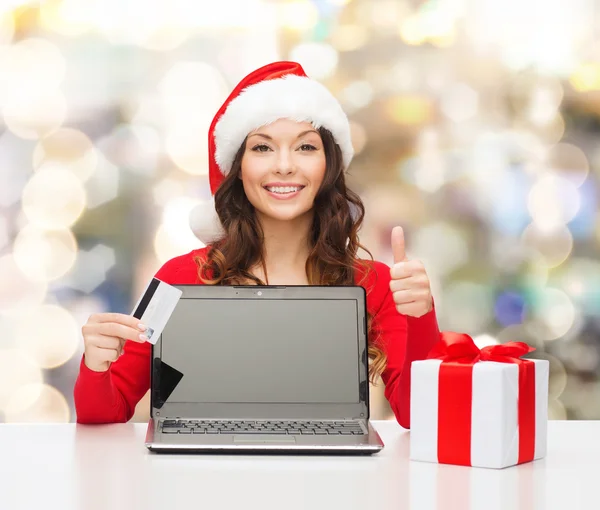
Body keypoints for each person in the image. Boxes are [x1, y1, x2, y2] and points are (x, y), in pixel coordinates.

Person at [74, 61, 441, 428]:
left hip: (330, 479)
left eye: (306, 147)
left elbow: (420, 416)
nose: (284, 166)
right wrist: (95, 363)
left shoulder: (374, 282)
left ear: (328, 165)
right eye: (263, 148)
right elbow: (105, 411)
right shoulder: (179, 277)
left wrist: (421, 316)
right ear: (238, 168)